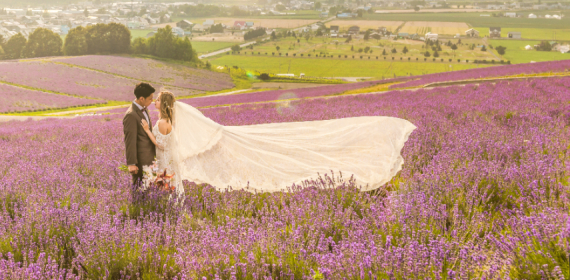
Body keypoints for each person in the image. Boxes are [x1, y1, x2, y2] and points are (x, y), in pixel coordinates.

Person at [139, 91, 417, 193]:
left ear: (162, 106)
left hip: (168, 159)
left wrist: (148, 133)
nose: (153, 106)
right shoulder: (174, 119)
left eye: (156, 102)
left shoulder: (164, 122)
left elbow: (164, 143)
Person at [140, 91, 184, 193]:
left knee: (167, 187)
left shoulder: (163, 122)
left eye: (159, 99)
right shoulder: (166, 120)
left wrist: (147, 130)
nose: (155, 101)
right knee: (168, 186)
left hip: (165, 160)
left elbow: (161, 144)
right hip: (166, 159)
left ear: (164, 103)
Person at [122, 82, 156, 190]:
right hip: (140, 162)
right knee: (139, 192)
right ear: (142, 98)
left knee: (147, 191)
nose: (152, 101)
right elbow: (130, 141)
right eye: (150, 99)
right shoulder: (131, 115)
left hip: (149, 159)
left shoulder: (143, 109)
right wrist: (132, 163)